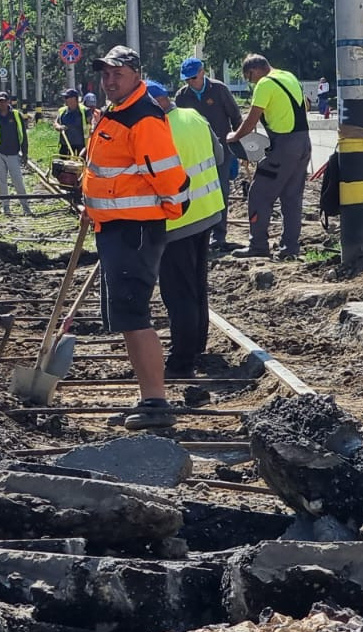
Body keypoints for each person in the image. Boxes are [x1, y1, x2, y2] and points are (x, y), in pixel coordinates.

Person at [82, 46, 190, 428]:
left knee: (134, 314)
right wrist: (94, 207)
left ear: (136, 75)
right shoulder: (116, 113)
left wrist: (166, 211)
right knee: (126, 317)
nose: (109, 81)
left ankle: (156, 403)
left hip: (135, 231)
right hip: (117, 227)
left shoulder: (142, 118)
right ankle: (147, 397)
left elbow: (169, 177)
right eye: (105, 75)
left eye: (117, 74)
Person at [148, 81, 224, 378]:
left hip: (176, 221)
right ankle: (196, 345)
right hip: (206, 213)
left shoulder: (159, 130)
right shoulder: (193, 116)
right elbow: (218, 156)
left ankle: (182, 360)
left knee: (178, 293)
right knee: (196, 285)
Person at [226, 54, 311, 260]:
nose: (251, 83)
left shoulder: (264, 83)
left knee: (259, 194)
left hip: (283, 147)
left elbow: (252, 119)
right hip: (303, 143)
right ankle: (290, 248)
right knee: (292, 198)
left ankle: (258, 245)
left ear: (254, 71)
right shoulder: (288, 77)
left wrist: (234, 137)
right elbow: (305, 105)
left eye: (249, 78)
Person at [174, 58, 243, 250]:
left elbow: (235, 117)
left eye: (193, 78)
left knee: (220, 189)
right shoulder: (182, 96)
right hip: (195, 151)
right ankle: (198, 232)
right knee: (196, 190)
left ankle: (218, 235)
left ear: (202, 72)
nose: (190, 82)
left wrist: (238, 146)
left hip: (221, 148)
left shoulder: (219, 90)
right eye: (187, 79)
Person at [0, 91, 31, 215]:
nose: (2, 104)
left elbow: (23, 135)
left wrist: (25, 153)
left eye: (4, 101)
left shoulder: (16, 115)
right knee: (2, 182)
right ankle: (6, 208)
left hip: (13, 154)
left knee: (18, 181)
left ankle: (25, 207)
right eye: (0, 102)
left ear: (8, 101)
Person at [55, 87, 87, 157]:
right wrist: (59, 127)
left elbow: (92, 124)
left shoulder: (84, 110)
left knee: (80, 162)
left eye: (66, 97)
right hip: (65, 144)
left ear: (74, 99)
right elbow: (56, 123)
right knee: (62, 162)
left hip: (81, 145)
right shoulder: (62, 111)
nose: (64, 99)